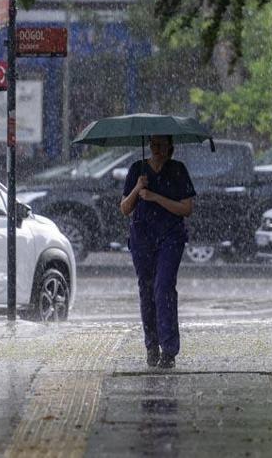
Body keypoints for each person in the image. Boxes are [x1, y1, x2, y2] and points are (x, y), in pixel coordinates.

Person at [120, 135, 196, 369]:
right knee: (146, 289)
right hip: (142, 238)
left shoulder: (178, 170)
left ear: (170, 148)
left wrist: (155, 197)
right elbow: (125, 208)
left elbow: (186, 208)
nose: (156, 150)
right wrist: (138, 188)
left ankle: (169, 349)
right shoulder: (137, 169)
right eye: (153, 145)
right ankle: (151, 346)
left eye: (161, 145)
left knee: (163, 287)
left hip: (170, 238)